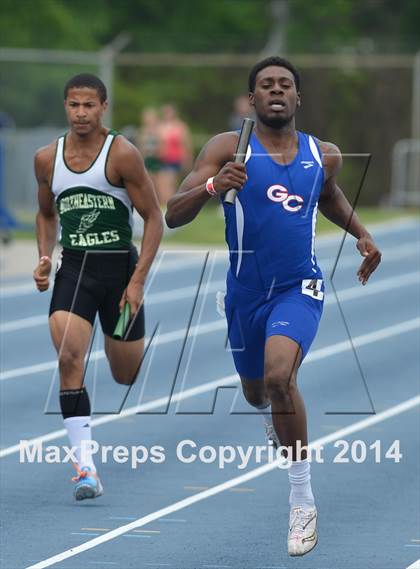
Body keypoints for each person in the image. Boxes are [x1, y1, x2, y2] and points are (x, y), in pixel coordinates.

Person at [165, 56, 381, 556]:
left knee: (282, 377)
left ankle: (301, 498)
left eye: (285, 84)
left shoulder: (323, 154)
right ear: (252, 98)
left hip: (297, 286)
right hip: (244, 294)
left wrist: (363, 235)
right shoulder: (227, 147)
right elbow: (173, 214)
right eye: (266, 85)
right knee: (257, 391)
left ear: (298, 98)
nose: (276, 90)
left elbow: (327, 196)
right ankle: (272, 409)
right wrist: (215, 185)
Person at [33, 74, 163, 501]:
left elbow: (153, 218)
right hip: (74, 272)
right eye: (74, 105)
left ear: (103, 107)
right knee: (70, 356)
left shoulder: (121, 154)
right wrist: (44, 256)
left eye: (90, 105)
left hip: (120, 274)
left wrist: (139, 281)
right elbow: (46, 215)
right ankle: (85, 468)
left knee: (124, 373)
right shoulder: (47, 159)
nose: (82, 113)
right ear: (65, 107)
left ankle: (116, 337)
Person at [158, 104, 193, 206]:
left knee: (170, 183)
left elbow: (186, 144)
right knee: (162, 184)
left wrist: (187, 159)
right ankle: (165, 204)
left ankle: (170, 204)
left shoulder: (180, 126)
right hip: (162, 159)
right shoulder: (160, 126)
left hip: (175, 158)